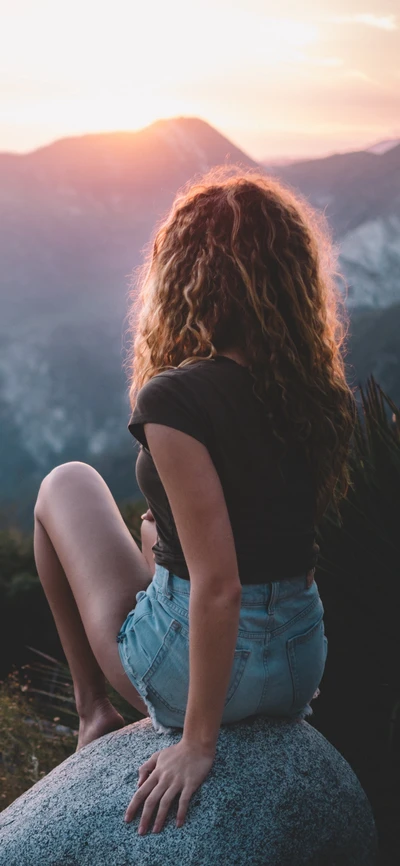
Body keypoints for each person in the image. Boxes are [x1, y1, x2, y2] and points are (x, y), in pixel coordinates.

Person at [33, 166, 357, 836]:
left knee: (65, 484)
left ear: (188, 278)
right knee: (157, 535)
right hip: (299, 663)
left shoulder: (174, 399)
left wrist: (197, 745)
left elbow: (219, 587)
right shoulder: (316, 394)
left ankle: (94, 710)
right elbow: (284, 546)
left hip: (199, 673)